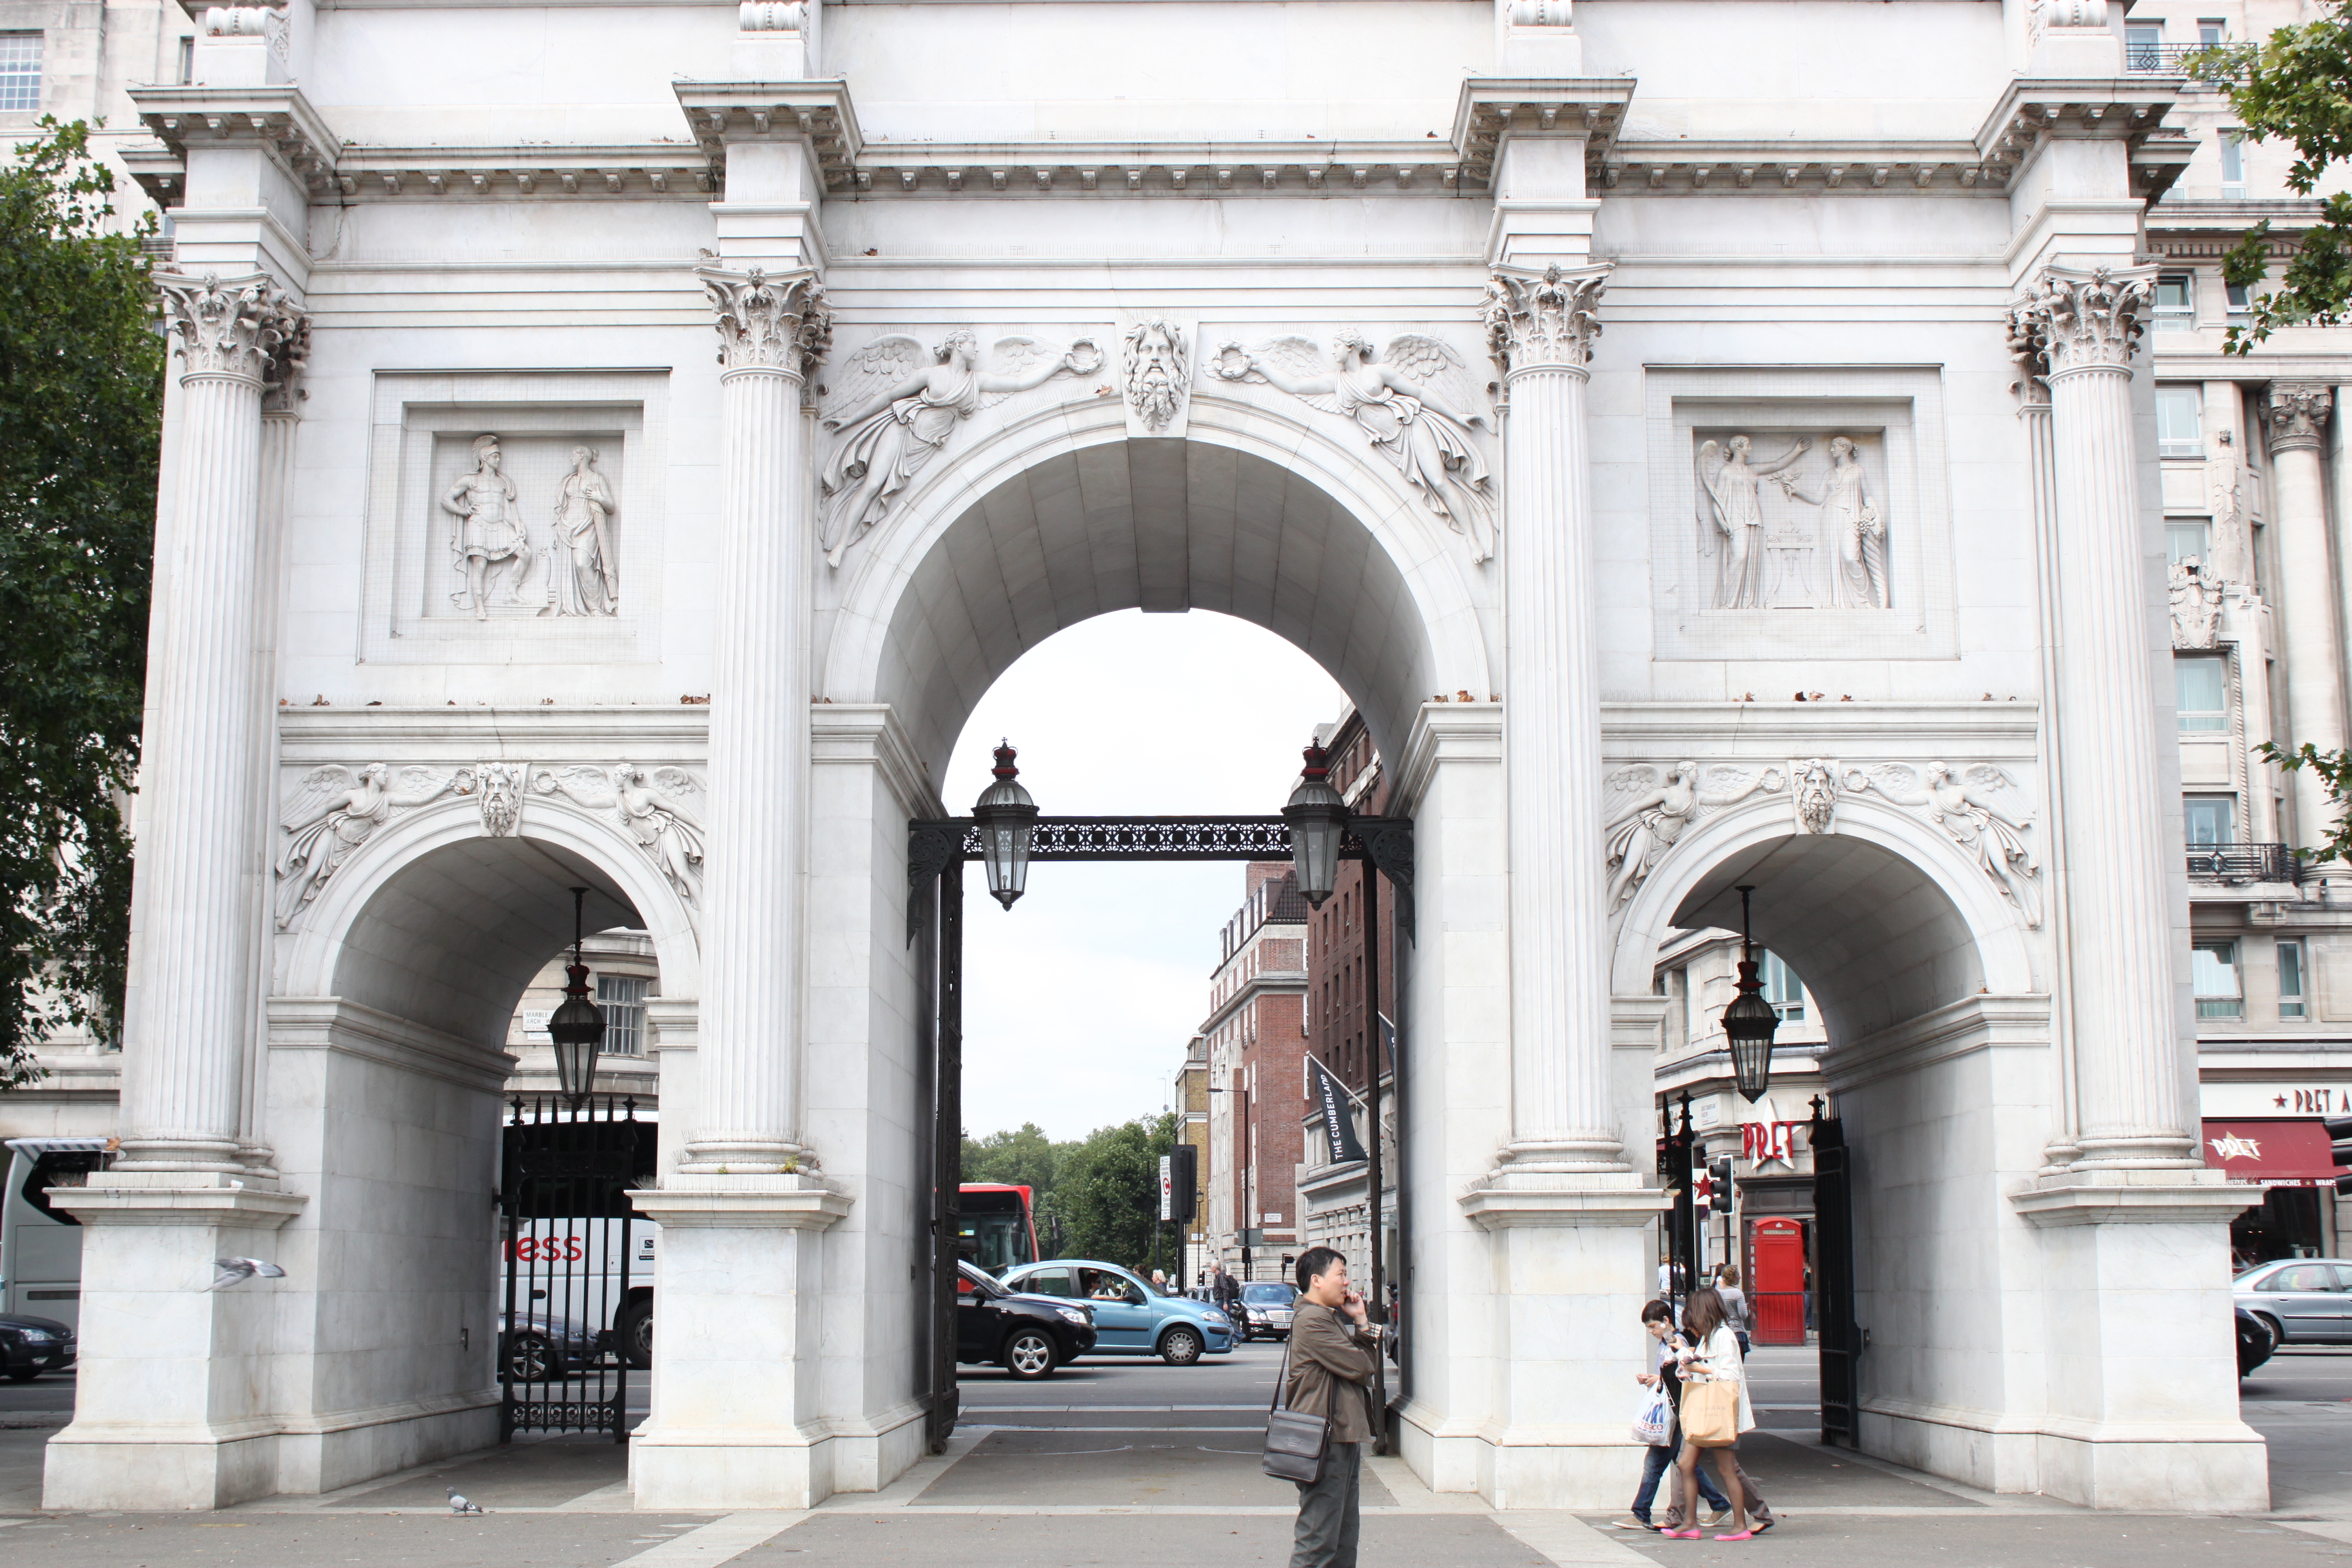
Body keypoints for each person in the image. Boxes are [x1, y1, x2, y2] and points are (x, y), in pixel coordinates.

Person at [1281, 1247, 1382, 1568]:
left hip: (1339, 1434)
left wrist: (1361, 1320)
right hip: (1324, 1439)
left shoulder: (1326, 1317)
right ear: (1316, 1280)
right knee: (1318, 1540)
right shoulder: (1313, 1320)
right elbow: (1363, 1367)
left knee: (1342, 1536)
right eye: (1340, 1274)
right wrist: (1363, 1325)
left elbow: (1362, 1365)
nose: (1346, 1281)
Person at [1614, 1300, 1732, 1533]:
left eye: (1653, 1326)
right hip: (1676, 1410)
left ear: (1667, 1322)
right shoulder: (1667, 1343)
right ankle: (1718, 1503)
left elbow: (1681, 1376)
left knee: (1658, 1463)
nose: (1652, 1332)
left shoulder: (1677, 1344)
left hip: (1676, 1412)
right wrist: (1655, 1378)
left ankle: (1642, 1513)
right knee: (1683, 1463)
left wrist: (1656, 1380)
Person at [1665, 1287, 1758, 1541]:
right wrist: (1683, 1354)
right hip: (1708, 1412)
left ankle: (1740, 1526)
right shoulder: (1710, 1337)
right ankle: (1690, 1523)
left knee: (1726, 1468)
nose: (1691, 1329)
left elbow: (1729, 1376)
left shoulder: (1724, 1336)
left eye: (1692, 1322)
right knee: (1685, 1464)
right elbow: (1703, 1364)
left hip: (1722, 1412)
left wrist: (1699, 1369)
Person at [1715, 1264, 1752, 1354]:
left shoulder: (1716, 1293)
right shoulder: (1738, 1293)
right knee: (1738, 1365)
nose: (1740, 1277)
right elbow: (1743, 1315)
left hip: (1720, 1331)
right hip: (1736, 1331)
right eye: (1738, 1274)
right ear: (1733, 1277)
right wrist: (1747, 1309)